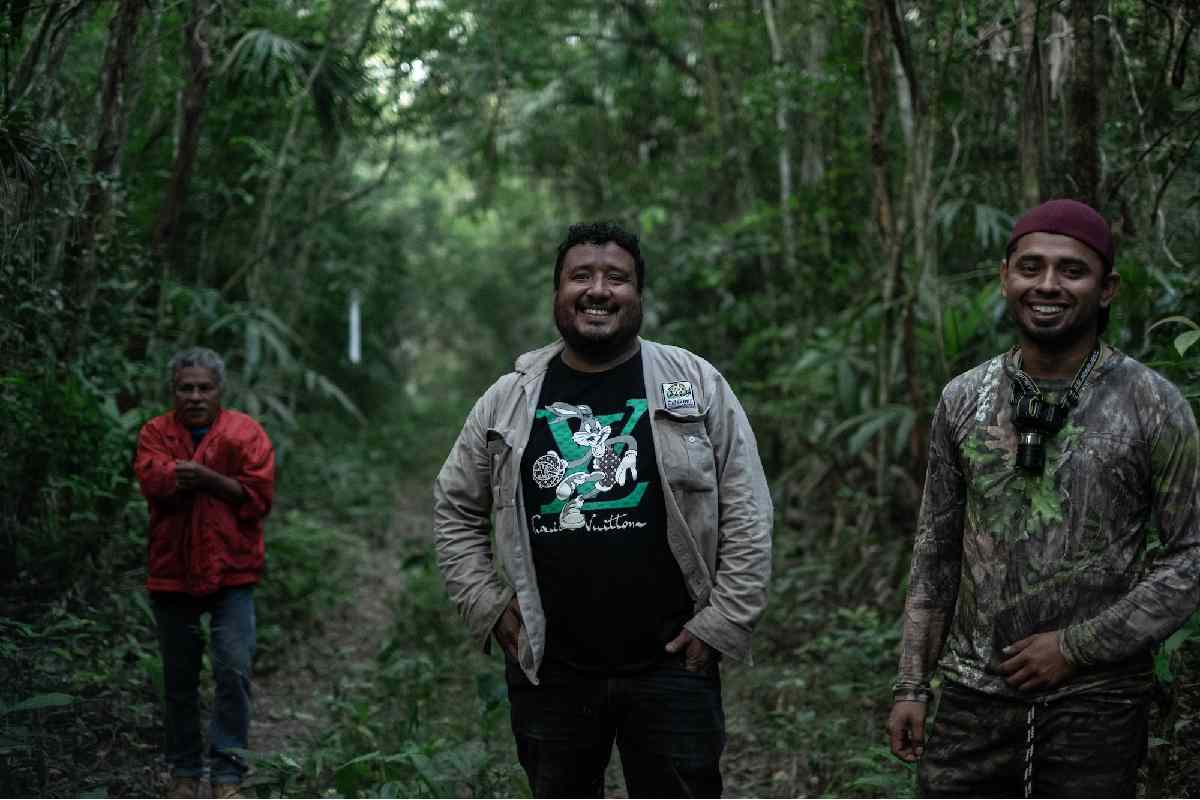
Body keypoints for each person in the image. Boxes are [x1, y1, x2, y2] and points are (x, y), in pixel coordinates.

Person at [433, 221, 773, 797]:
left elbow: (747, 506)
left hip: (673, 662)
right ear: (557, 292)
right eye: (580, 276)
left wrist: (724, 620)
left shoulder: (694, 382)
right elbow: (455, 504)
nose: (597, 290)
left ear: (638, 295)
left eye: (616, 278)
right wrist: (485, 602)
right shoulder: (509, 397)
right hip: (550, 665)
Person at [887, 199, 1200, 797]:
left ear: (1106, 289)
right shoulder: (964, 398)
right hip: (972, 696)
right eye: (1031, 267)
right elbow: (936, 552)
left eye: (1071, 271)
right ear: (1005, 277)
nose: (1048, 285)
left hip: (1097, 702)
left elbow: (1192, 554)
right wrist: (911, 684)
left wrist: (1077, 647)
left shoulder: (1152, 403)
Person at [134, 347, 276, 799]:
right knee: (179, 679)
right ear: (173, 390)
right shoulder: (155, 432)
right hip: (172, 573)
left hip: (234, 572)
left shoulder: (245, 432)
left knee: (233, 671)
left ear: (219, 390)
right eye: (186, 388)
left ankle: (227, 775)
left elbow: (260, 497)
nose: (195, 396)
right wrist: (186, 477)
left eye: (204, 388)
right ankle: (184, 772)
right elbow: (152, 480)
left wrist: (207, 478)